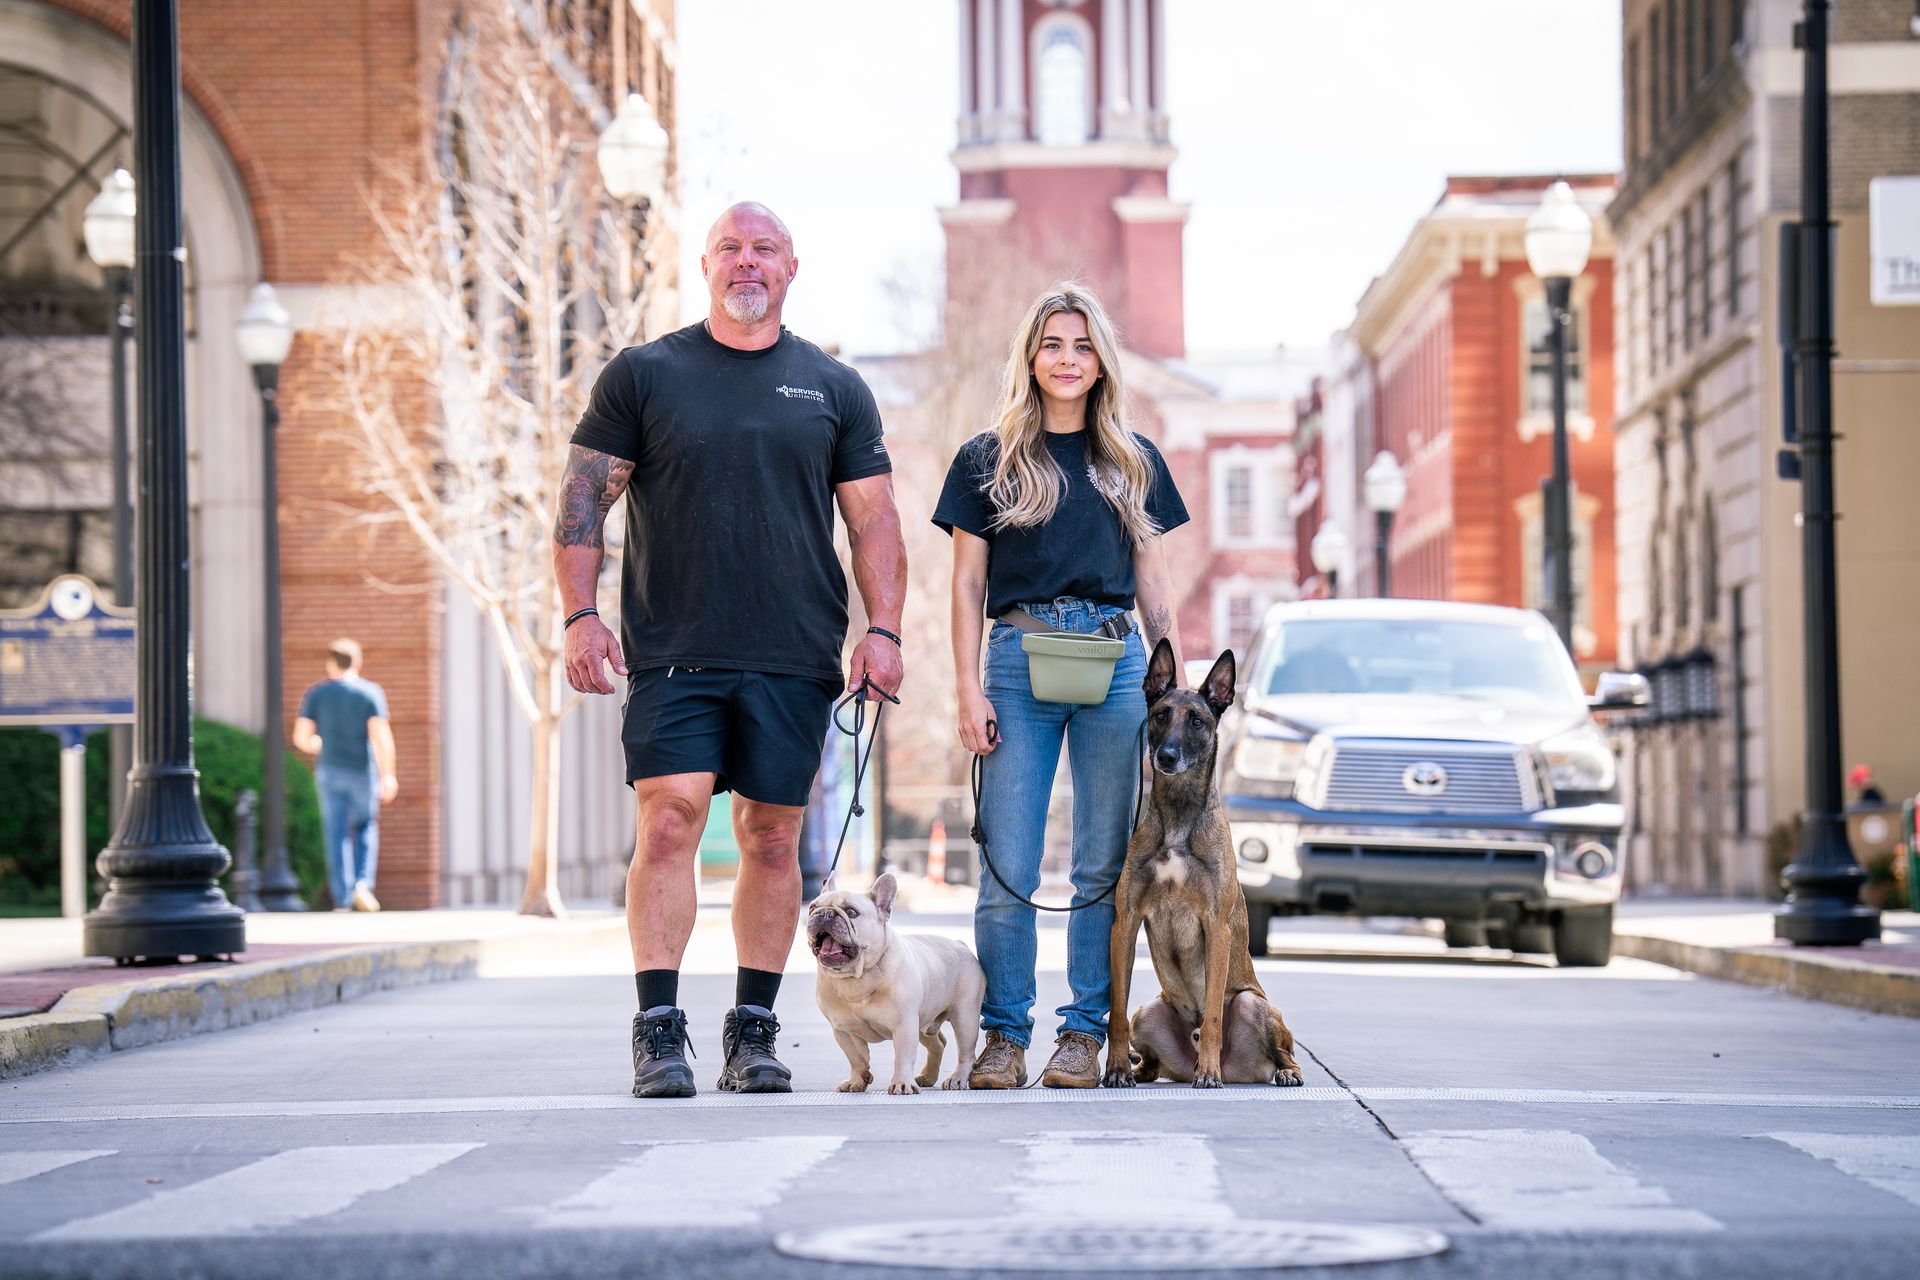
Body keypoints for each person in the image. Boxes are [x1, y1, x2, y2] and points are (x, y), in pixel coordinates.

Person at [555, 201, 906, 1099]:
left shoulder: (833, 387)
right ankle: (658, 1029)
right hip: (673, 647)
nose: (747, 262)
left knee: (772, 835)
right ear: (705, 266)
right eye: (730, 249)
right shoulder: (645, 375)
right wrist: (579, 615)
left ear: (791, 268)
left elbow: (873, 520)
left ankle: (754, 1030)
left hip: (793, 652)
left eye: (764, 250)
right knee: (669, 820)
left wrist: (883, 630)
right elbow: (583, 500)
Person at [933, 282, 1189, 1089]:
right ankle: (1004, 1036)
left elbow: (1154, 586)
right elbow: (966, 584)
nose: (1068, 359)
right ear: (1031, 357)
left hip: (1116, 663)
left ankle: (1084, 1033)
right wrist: (967, 689)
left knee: (1103, 865)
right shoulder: (987, 459)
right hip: (1018, 661)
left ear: (1101, 361)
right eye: (1052, 344)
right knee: (1007, 863)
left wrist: (1174, 693)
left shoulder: (1134, 461)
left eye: (1082, 346)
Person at [292, 638, 398, 913]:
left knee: (336, 832)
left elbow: (301, 737)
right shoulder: (370, 692)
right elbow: (381, 737)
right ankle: (362, 884)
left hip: (329, 771)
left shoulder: (317, 693)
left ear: (331, 663)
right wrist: (388, 775)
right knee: (365, 826)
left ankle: (342, 898)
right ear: (357, 663)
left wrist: (317, 744)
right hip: (362, 770)